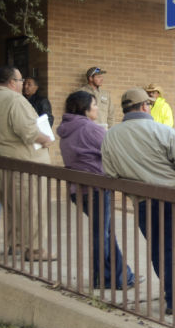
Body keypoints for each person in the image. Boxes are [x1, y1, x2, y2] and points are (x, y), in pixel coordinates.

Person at [101, 88, 175, 313]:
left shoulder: (110, 136)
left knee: (157, 249)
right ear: (145, 106)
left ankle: (169, 291)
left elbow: (110, 172)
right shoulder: (162, 131)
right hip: (172, 198)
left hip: (142, 201)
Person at [57, 90, 138, 289]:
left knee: (104, 232)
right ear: (85, 109)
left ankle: (120, 275)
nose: (96, 109)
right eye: (94, 105)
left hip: (78, 190)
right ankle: (105, 278)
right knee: (102, 234)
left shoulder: (66, 128)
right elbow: (114, 148)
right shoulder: (89, 128)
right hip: (96, 189)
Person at [0, 66, 54, 261]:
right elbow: (29, 131)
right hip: (22, 164)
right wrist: (46, 139)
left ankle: (17, 244)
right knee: (32, 208)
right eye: (21, 81)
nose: (22, 84)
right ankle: (35, 250)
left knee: (13, 207)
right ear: (12, 82)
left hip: (0, 162)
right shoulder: (14, 100)